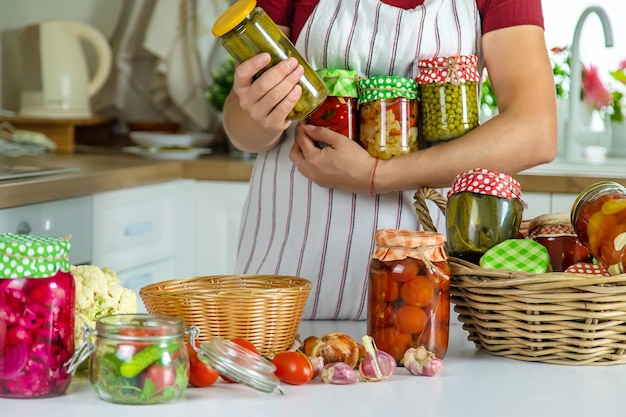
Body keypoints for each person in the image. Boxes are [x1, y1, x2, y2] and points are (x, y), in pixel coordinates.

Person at [222, 0, 557, 321]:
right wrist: (258, 111)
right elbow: (242, 130)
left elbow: (535, 131)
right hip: (285, 280)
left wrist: (379, 175)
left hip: (422, 291)